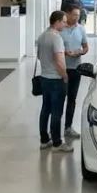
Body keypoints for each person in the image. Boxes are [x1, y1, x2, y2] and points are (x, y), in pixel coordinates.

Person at [36, 11, 73, 152]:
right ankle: (57, 143)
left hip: (44, 77)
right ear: (56, 22)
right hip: (56, 80)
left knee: (45, 109)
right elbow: (59, 60)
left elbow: (39, 56)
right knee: (57, 112)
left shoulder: (42, 36)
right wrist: (64, 75)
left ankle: (44, 140)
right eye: (63, 21)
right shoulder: (56, 38)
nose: (65, 24)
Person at [59, 4, 89, 141]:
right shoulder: (60, 30)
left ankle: (68, 127)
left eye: (78, 15)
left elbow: (85, 46)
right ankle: (55, 128)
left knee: (72, 99)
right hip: (62, 69)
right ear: (67, 14)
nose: (77, 17)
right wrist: (65, 52)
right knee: (59, 99)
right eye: (75, 15)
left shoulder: (81, 29)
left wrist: (80, 52)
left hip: (76, 69)